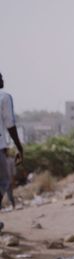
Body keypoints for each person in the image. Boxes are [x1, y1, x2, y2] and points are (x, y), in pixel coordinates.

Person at [0, 73, 23, 212]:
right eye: (0, 78)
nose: (3, 80)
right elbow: (10, 124)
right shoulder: (4, 97)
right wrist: (20, 148)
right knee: (4, 181)